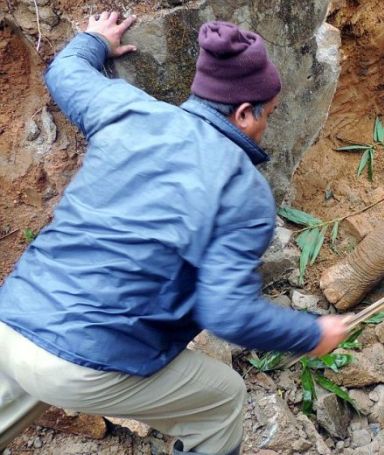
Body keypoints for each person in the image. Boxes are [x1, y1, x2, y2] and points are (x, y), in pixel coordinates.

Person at [0, 12, 349, 455]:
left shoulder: (126, 108)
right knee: (222, 397)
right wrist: (311, 335)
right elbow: (227, 314)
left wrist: (94, 40)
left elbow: (65, 72)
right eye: (269, 115)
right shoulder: (242, 191)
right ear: (244, 113)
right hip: (83, 362)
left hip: (12, 320)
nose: (266, 127)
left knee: (30, 372)